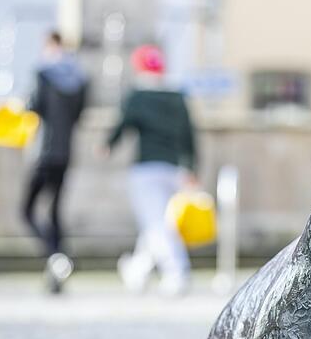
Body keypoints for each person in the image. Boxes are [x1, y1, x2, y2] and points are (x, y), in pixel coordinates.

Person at [102, 44, 197, 296]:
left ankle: (177, 272)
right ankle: (137, 270)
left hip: (146, 170)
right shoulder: (177, 97)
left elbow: (123, 125)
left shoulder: (139, 96)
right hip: (174, 169)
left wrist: (108, 145)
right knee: (156, 223)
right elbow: (189, 135)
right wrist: (190, 167)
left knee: (156, 224)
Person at [22, 31, 87, 294]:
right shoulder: (80, 79)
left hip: (43, 153)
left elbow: (33, 106)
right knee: (55, 211)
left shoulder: (43, 74)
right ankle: (57, 273)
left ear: (50, 46)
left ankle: (54, 257)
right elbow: (79, 114)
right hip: (65, 152)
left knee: (26, 210)